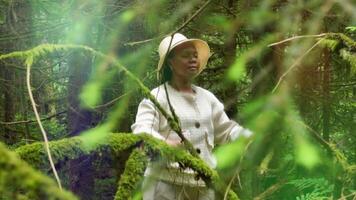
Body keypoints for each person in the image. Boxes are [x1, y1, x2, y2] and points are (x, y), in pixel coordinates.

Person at [131, 33, 252, 200]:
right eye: (185, 55)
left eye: (195, 55)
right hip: (164, 186)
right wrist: (165, 144)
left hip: (203, 187)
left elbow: (226, 130)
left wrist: (250, 137)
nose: (193, 59)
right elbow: (141, 131)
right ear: (170, 63)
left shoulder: (207, 98)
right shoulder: (157, 96)